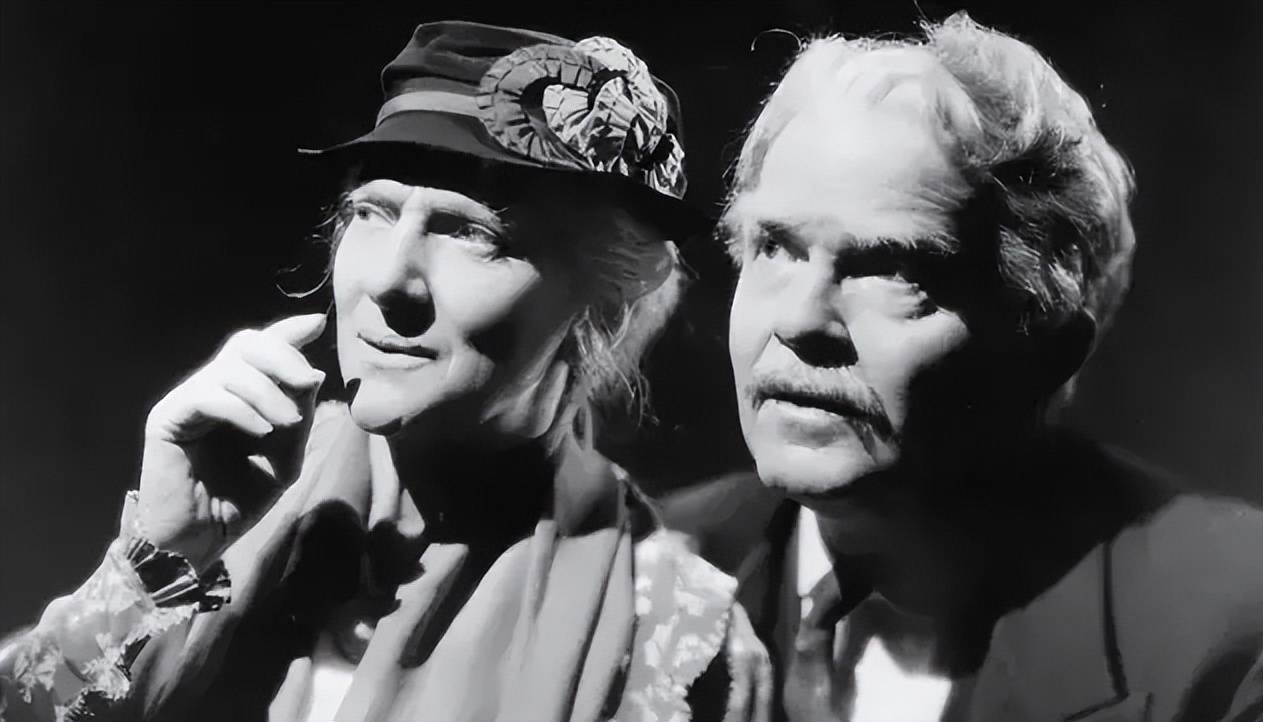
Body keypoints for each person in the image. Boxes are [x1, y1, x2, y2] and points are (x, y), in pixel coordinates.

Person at [0, 21, 771, 722]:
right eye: (368, 212)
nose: (389, 280)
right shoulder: (240, 488)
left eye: (471, 232)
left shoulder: (672, 633)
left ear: (605, 296)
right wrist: (156, 563)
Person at [662, 12, 1263, 722]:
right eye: (775, 247)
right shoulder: (636, 576)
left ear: (1046, 347)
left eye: (890, 268)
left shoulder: (1239, 632)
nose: (800, 321)